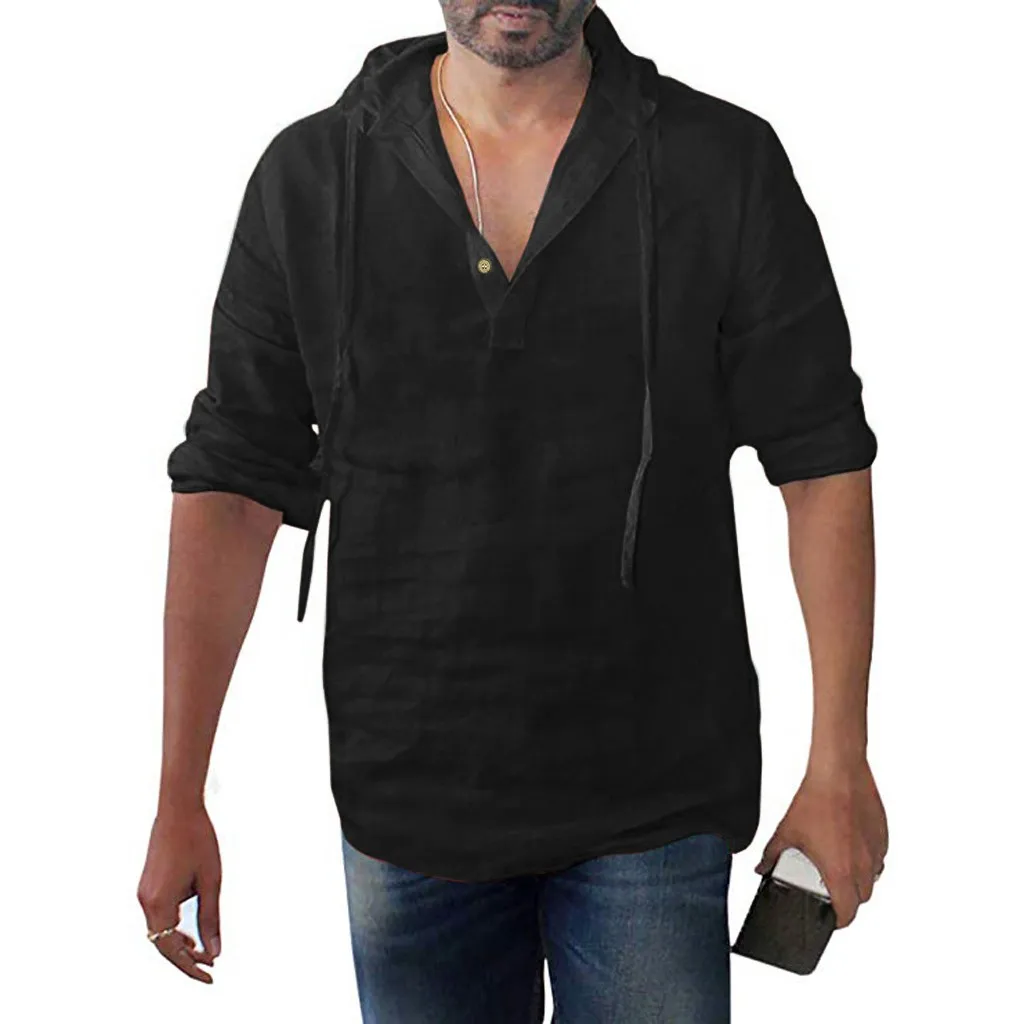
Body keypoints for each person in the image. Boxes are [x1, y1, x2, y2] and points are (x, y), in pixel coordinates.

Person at [138, 2, 888, 1019]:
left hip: (656, 793)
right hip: (408, 801)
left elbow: (820, 460)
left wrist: (839, 761)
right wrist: (179, 790)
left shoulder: (721, 162)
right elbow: (232, 485)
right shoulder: (310, 176)